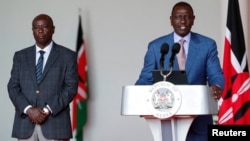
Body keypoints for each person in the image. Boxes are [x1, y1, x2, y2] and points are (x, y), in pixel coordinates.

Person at [135, 1, 224, 141]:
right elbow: (146, 79)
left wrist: (217, 86)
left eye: (187, 16)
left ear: (193, 19)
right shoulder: (156, 47)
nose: (182, 20)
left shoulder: (207, 45)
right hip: (165, 119)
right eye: (178, 17)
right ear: (171, 20)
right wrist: (137, 96)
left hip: (199, 123)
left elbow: (215, 74)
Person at [7, 14, 78, 141]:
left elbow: (71, 87)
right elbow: (13, 87)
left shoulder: (67, 56)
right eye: (36, 27)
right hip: (25, 126)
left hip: (56, 126)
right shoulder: (20, 56)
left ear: (53, 29)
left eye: (44, 27)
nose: (40, 30)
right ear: (32, 30)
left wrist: (46, 109)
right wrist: (28, 109)